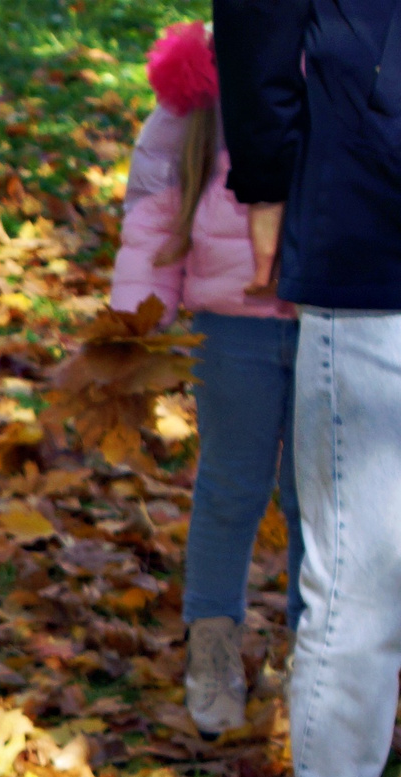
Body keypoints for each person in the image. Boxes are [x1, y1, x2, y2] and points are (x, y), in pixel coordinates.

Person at [213, 0, 401, 777]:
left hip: (363, 222)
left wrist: (267, 180)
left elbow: (255, 30)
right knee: (358, 593)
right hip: (369, 228)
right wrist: (272, 172)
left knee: (358, 594)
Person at [110, 19, 302, 738]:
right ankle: (213, 649)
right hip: (232, 323)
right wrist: (139, 313)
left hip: (332, 314)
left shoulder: (355, 55)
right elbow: (156, 200)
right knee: (231, 486)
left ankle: (309, 652)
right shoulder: (209, 73)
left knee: (317, 493)